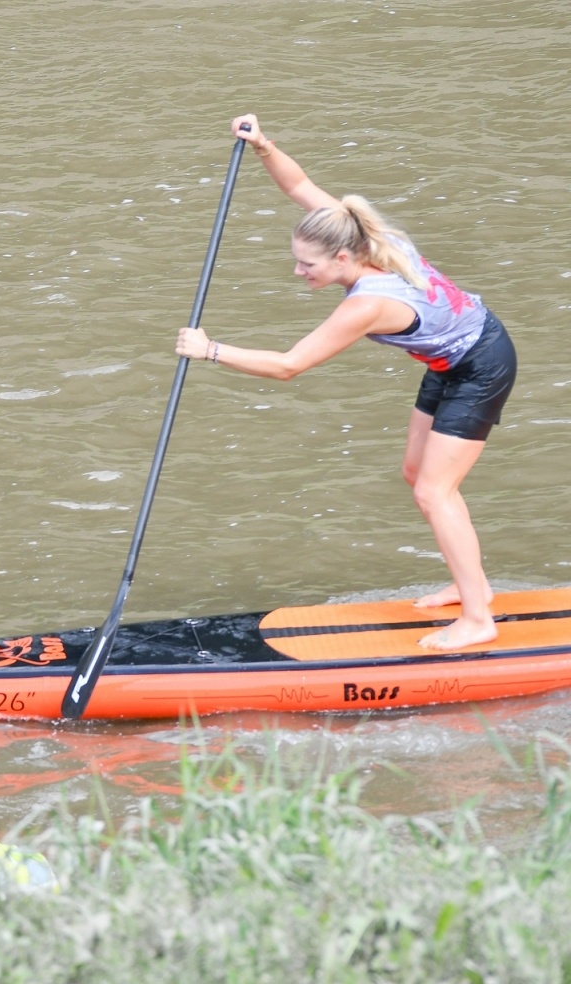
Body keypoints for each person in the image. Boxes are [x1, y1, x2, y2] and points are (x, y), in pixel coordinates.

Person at [175, 114, 517, 651]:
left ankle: (478, 618)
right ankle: (472, 583)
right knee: (418, 475)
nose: (298, 272)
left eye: (306, 265)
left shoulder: (367, 305)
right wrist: (263, 146)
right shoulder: (358, 233)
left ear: (340, 259)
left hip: (482, 364)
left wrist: (211, 349)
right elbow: (299, 186)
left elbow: (289, 366)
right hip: (448, 361)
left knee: (434, 491)